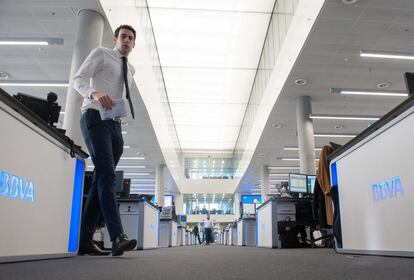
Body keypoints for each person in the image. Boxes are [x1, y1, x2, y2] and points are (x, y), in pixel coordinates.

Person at [73, 24, 137, 256]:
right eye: (123, 37)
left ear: (134, 43)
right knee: (108, 175)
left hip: (114, 124)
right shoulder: (101, 53)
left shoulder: (131, 68)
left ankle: (84, 240)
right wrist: (94, 93)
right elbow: (77, 79)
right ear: (115, 39)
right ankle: (117, 236)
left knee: (100, 178)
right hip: (93, 115)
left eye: (130, 38)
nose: (127, 41)